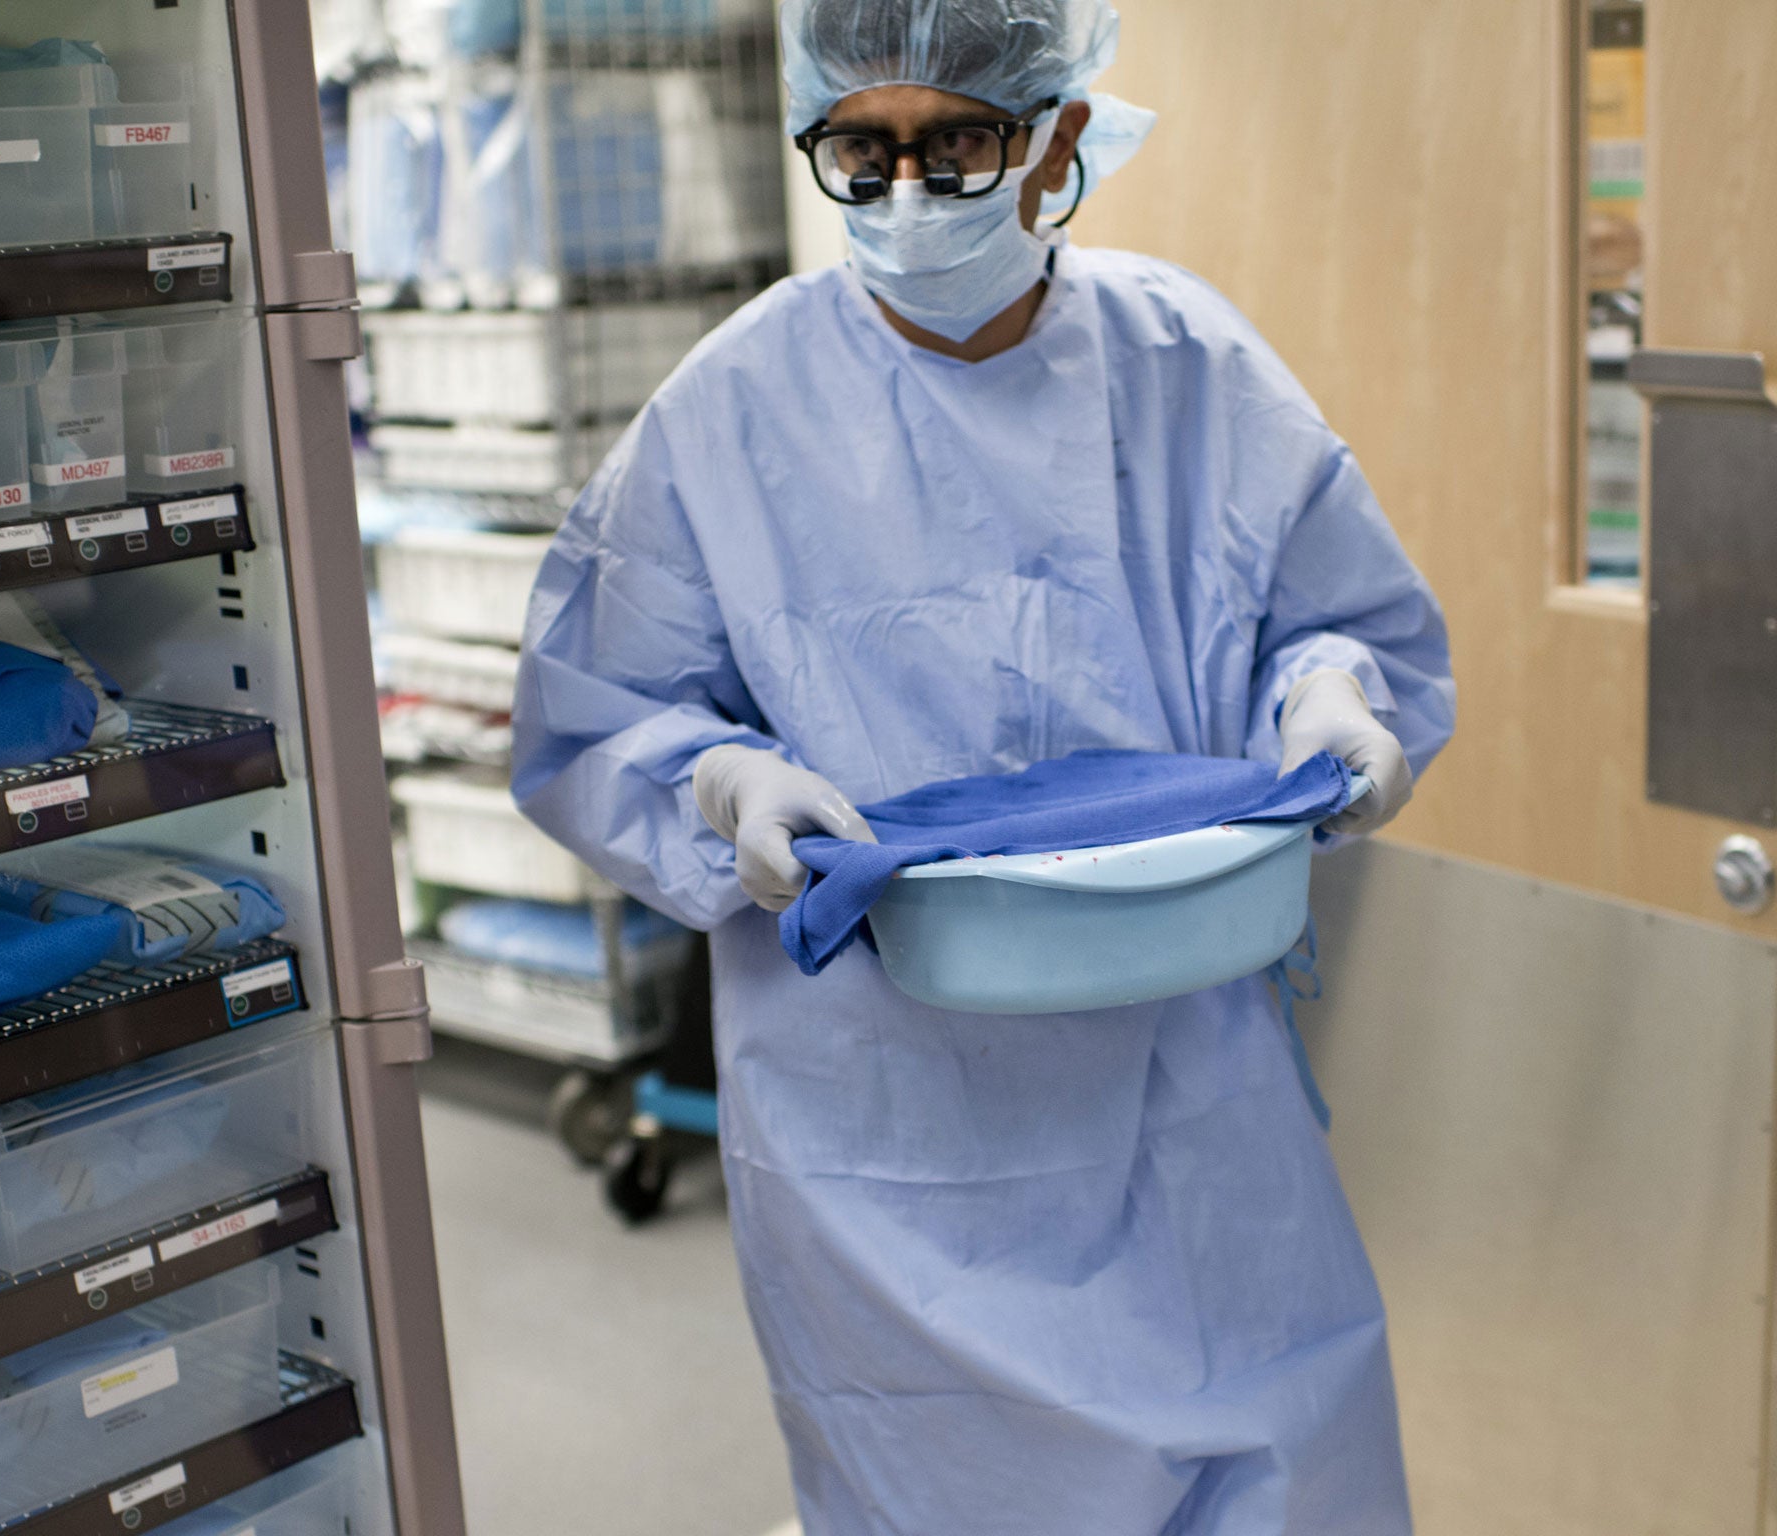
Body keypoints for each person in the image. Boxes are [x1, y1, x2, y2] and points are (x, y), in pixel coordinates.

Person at [510, 0, 1456, 1526]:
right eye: (859, 150)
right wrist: (723, 785)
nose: (904, 195)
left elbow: (1331, 617)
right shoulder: (734, 406)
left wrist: (1335, 696)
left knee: (1276, 1470)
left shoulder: (1189, 363)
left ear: (1061, 133)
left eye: (958, 142)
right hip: (889, 1128)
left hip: (1187, 1090)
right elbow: (601, 708)